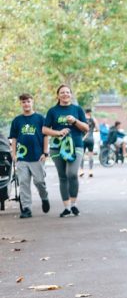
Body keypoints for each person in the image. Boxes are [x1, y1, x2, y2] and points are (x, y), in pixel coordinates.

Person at [41, 84, 89, 217]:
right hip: (57, 147)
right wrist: (58, 132)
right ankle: (67, 207)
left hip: (76, 145)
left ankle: (74, 204)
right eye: (62, 92)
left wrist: (74, 121)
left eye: (67, 92)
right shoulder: (52, 111)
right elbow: (44, 130)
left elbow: (86, 128)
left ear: (71, 95)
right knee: (62, 176)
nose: (65, 94)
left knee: (72, 174)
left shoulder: (77, 109)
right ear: (58, 95)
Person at [8, 93, 49, 218]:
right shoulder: (17, 120)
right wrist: (14, 154)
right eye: (23, 102)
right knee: (24, 182)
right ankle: (26, 208)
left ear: (32, 102)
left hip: (37, 156)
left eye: (28, 101)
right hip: (22, 157)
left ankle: (44, 197)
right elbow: (14, 138)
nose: (26, 104)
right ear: (21, 104)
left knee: (39, 182)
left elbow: (46, 135)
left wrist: (45, 152)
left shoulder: (40, 119)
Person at [80, 107, 97, 178]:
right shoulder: (93, 119)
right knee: (90, 155)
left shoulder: (82, 119)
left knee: (81, 155)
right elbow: (97, 128)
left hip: (83, 139)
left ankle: (81, 170)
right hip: (90, 139)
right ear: (90, 112)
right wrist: (93, 129)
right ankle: (90, 170)